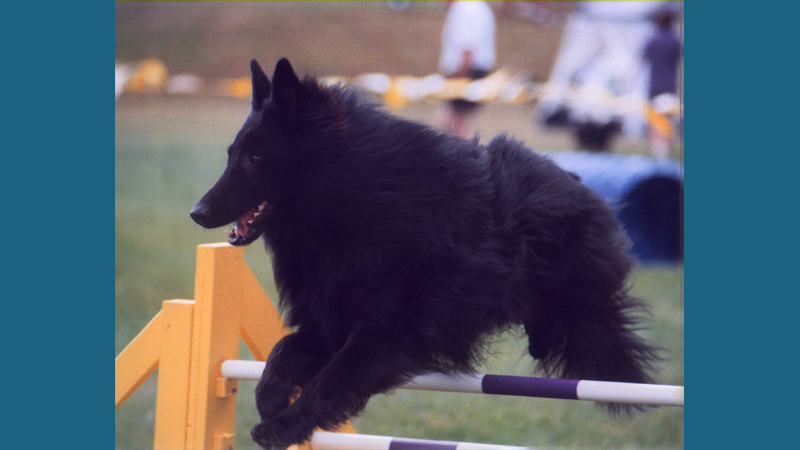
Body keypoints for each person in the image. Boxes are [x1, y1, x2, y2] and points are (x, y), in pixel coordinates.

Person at [437, 0, 496, 140]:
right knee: (453, 123)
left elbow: (468, 48)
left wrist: (459, 77)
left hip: (466, 73)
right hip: (468, 71)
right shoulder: (473, 6)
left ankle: (476, 159)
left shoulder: (467, 8)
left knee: (456, 125)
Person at [643, 7, 681, 158]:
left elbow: (640, 61)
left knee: (655, 118)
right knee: (667, 118)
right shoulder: (675, 41)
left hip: (654, 84)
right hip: (670, 84)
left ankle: (658, 149)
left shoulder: (653, 40)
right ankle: (665, 148)